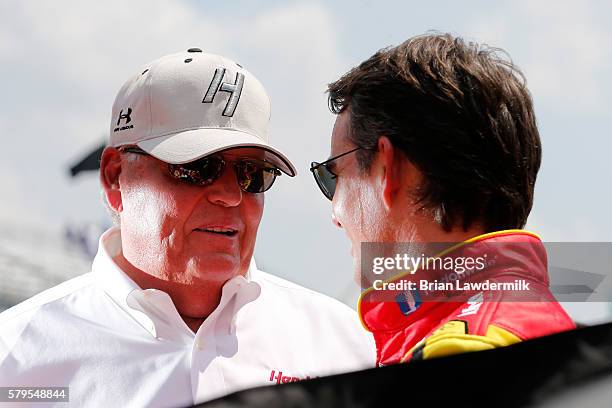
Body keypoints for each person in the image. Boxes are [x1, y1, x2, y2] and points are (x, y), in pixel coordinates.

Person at [0, 49, 375, 406]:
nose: (230, 195)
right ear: (116, 179)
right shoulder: (15, 356)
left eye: (252, 174)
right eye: (196, 167)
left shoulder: (349, 347)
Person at [310, 33, 575, 366]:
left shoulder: (458, 351)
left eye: (332, 176)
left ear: (386, 169)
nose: (335, 215)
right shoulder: (528, 321)